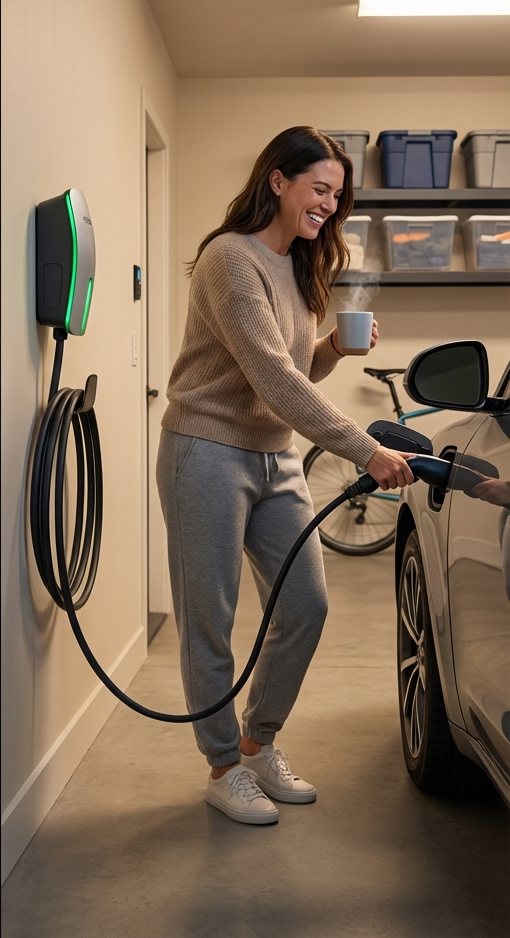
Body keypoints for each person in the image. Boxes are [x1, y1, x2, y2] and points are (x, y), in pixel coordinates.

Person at [156, 126, 415, 826]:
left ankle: (255, 741)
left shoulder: (301, 266)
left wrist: (330, 346)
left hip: (275, 458)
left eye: (338, 194)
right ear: (279, 180)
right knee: (209, 620)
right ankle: (221, 767)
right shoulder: (229, 259)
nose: (329, 204)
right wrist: (365, 450)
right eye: (319, 188)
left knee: (305, 604)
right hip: (205, 450)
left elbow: (292, 371)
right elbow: (270, 378)